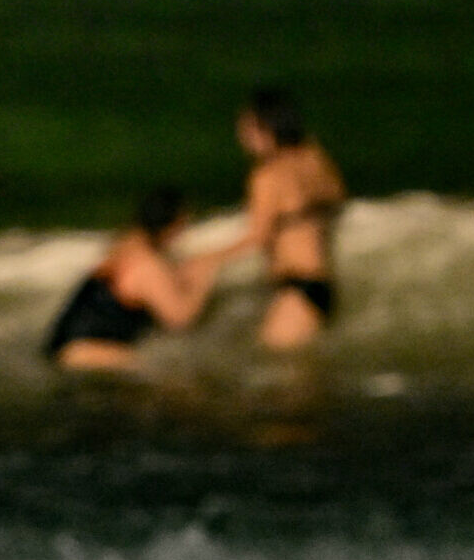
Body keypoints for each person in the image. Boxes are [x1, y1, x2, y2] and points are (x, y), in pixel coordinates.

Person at [44, 187, 227, 370]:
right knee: (171, 376)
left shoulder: (122, 245)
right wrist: (203, 278)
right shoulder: (146, 263)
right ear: (173, 225)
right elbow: (179, 320)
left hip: (64, 347)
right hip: (90, 352)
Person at [226, 86, 346, 349]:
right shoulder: (312, 156)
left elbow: (258, 237)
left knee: (278, 381)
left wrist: (206, 261)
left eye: (247, 130)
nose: (242, 137)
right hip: (321, 285)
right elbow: (337, 196)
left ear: (266, 129)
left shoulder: (265, 176)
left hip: (296, 289)